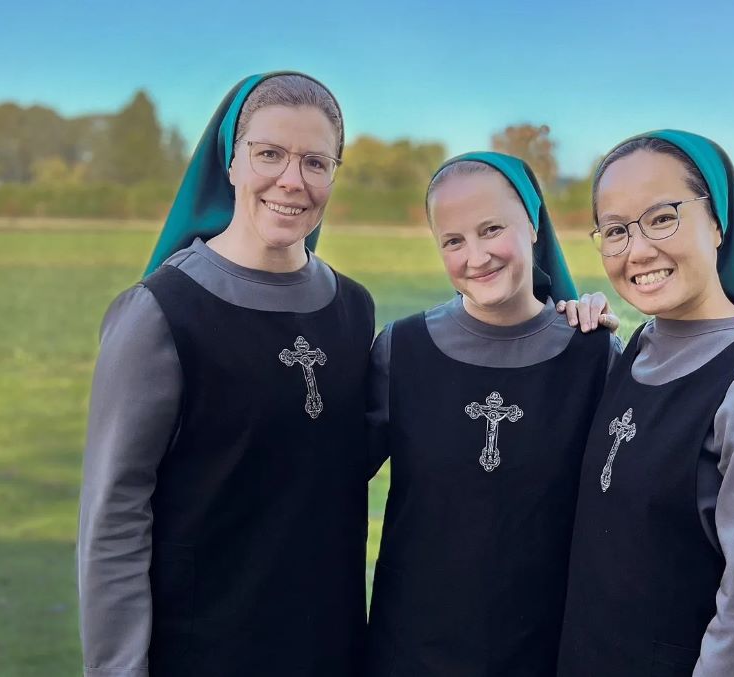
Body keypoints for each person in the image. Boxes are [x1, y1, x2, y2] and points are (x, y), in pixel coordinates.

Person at [77, 72, 374, 677]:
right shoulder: (161, 312)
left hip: (328, 645)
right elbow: (114, 516)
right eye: (270, 154)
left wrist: (559, 323)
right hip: (201, 651)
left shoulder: (354, 308)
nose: (292, 180)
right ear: (231, 162)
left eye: (315, 162)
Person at [557, 130, 734, 677]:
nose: (638, 250)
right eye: (615, 231)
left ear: (718, 223)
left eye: (662, 217)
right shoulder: (634, 350)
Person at [364, 152, 621, 676]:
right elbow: (323, 478)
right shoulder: (402, 350)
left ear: (532, 224)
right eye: (453, 241)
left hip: (547, 649)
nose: (476, 256)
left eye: (491, 229)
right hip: (413, 650)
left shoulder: (592, 355)